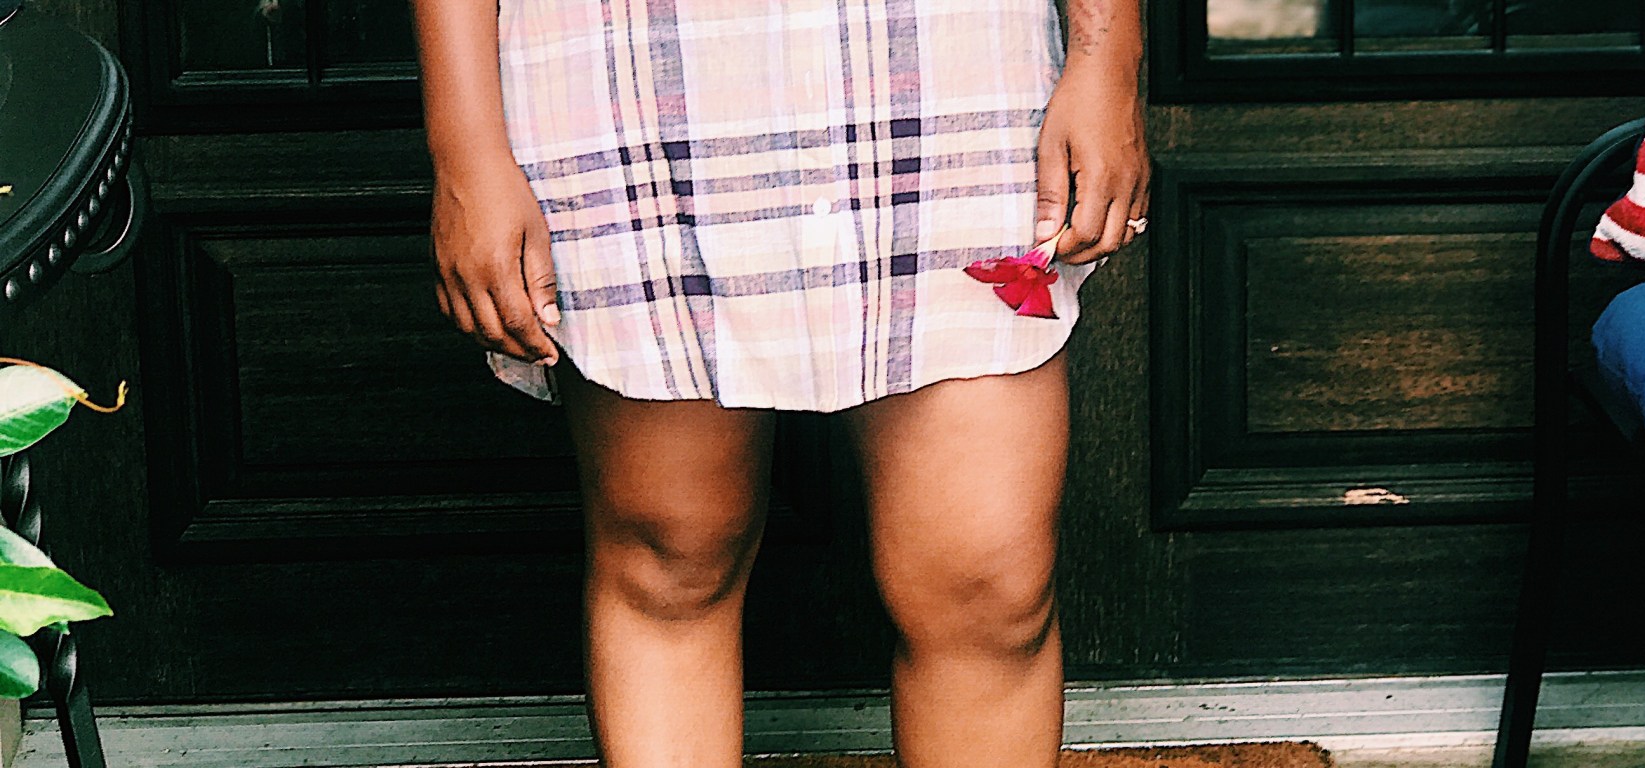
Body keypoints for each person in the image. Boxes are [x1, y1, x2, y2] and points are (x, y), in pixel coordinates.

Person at [407, 0, 1146, 764]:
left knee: (986, 582)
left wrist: (1109, 59)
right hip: (626, 73)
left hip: (951, 61)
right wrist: (464, 149)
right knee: (670, 555)